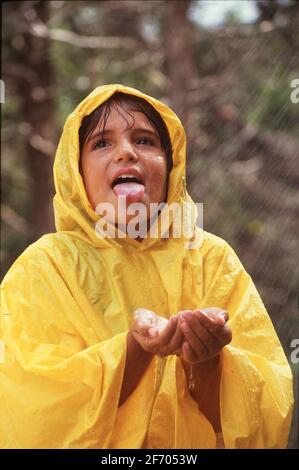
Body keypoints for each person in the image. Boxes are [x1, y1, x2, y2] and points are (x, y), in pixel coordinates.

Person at [0, 84, 293, 449]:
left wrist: (207, 361)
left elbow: (267, 423)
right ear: (76, 175)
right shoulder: (44, 267)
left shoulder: (212, 259)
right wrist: (134, 350)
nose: (126, 152)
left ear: (171, 167)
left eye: (145, 141)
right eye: (102, 143)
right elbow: (26, 412)